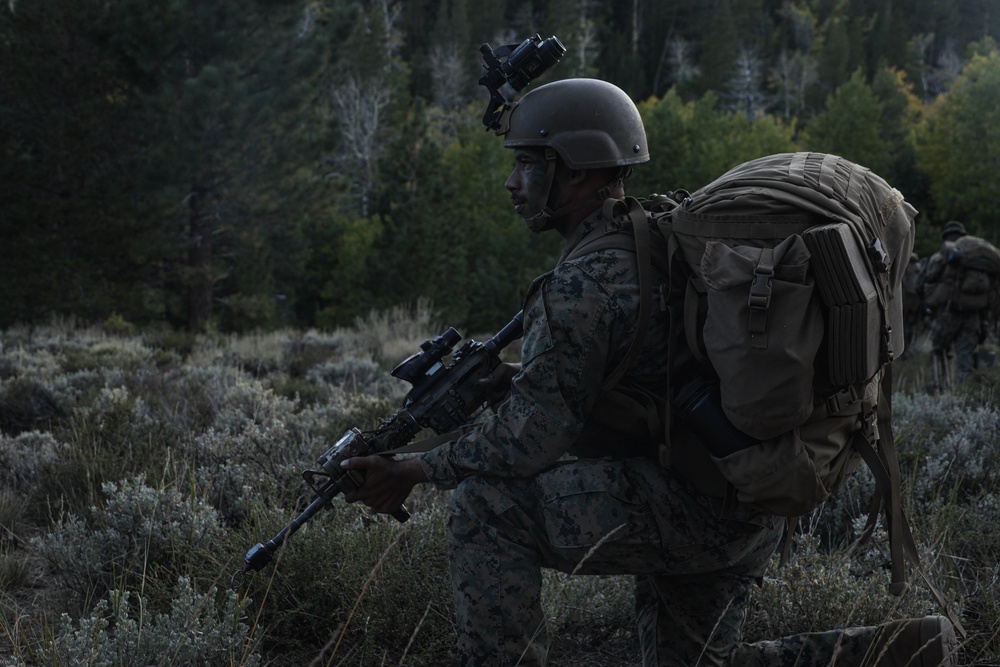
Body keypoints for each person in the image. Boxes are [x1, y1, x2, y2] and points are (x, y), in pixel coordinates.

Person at [340, 78, 958, 666]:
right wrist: (512, 379)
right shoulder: (660, 233)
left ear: (576, 168)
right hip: (747, 491)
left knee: (486, 508)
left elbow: (530, 441)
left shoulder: (581, 283)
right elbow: (636, 374)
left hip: (694, 506)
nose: (511, 182)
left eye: (528, 163)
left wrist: (412, 470)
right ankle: (904, 651)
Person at [920, 220, 997, 390]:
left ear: (946, 237)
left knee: (939, 351)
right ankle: (965, 392)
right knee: (965, 356)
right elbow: (991, 294)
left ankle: (941, 387)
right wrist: (984, 321)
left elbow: (929, 279)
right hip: (973, 317)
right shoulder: (979, 261)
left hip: (947, 314)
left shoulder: (942, 256)